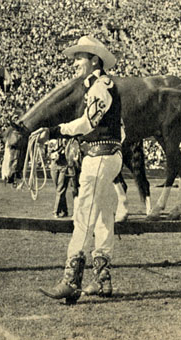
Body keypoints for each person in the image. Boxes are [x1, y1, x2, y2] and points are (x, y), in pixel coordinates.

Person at [34, 36, 122, 304]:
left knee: (83, 215)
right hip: (109, 155)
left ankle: (71, 280)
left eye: (79, 57)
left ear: (94, 60)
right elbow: (121, 129)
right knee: (105, 215)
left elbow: (87, 124)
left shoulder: (99, 86)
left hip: (99, 157)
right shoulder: (103, 86)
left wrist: (53, 131)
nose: (75, 63)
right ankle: (102, 281)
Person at [47, 138, 69, 218]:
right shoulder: (52, 141)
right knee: (59, 189)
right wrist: (52, 154)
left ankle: (56, 211)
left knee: (60, 189)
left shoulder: (67, 139)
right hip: (54, 165)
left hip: (64, 165)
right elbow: (48, 153)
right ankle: (64, 210)